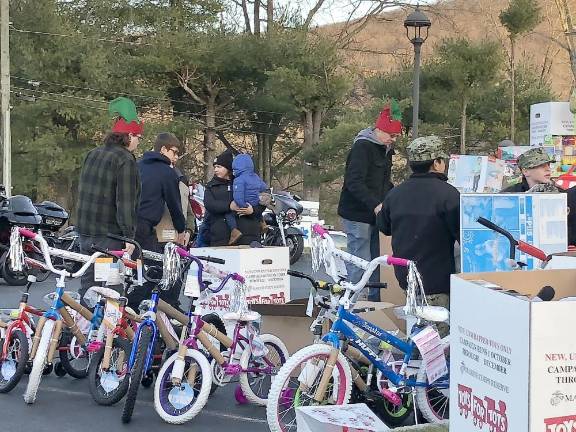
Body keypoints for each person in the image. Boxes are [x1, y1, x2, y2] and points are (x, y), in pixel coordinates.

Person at [377, 136, 459, 337]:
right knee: (437, 341)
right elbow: (463, 235)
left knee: (420, 332)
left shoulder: (396, 194)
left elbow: (384, 226)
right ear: (437, 163)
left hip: (406, 277)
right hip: (437, 281)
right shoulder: (448, 194)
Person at [75, 97, 143, 303]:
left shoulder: (92, 154)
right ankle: (112, 333)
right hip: (109, 239)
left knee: (88, 289)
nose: (139, 142)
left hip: (85, 234)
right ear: (129, 136)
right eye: (139, 137)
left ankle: (83, 329)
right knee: (112, 291)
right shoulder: (125, 160)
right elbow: (125, 202)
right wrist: (129, 238)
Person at [337, 103, 401, 301]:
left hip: (377, 216)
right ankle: (353, 303)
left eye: (397, 137)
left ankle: (375, 304)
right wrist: (375, 204)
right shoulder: (362, 147)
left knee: (377, 261)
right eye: (391, 135)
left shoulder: (386, 150)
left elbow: (382, 183)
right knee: (360, 260)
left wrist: (396, 195)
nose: (393, 140)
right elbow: (353, 182)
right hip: (357, 215)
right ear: (379, 130)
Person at [135, 132, 187, 252]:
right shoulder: (166, 172)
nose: (176, 156)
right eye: (174, 152)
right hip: (145, 225)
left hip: (127, 222)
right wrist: (181, 228)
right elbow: (174, 204)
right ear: (163, 149)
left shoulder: (137, 166)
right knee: (152, 262)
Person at [204, 150, 265, 246]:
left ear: (228, 168)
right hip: (221, 238)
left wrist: (253, 210)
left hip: (249, 236)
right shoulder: (211, 186)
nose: (215, 170)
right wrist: (229, 206)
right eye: (214, 167)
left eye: (219, 167)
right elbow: (209, 204)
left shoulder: (244, 181)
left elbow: (261, 201)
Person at [226, 154, 268, 245]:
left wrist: (243, 206)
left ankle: (234, 231)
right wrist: (254, 208)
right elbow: (265, 189)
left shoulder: (239, 180)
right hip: (255, 208)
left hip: (243, 213)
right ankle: (262, 222)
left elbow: (238, 196)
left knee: (229, 215)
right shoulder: (256, 177)